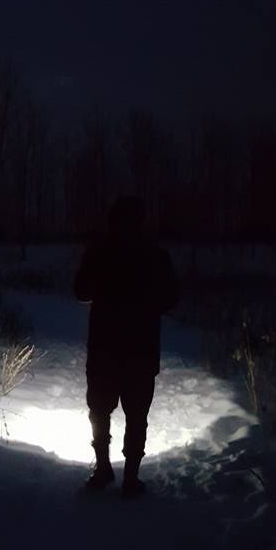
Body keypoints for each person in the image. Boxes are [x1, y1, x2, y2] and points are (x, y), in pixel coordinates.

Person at [73, 195, 179, 499]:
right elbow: (171, 299)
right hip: (139, 352)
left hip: (108, 351)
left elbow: (80, 291)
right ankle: (128, 478)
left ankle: (106, 470)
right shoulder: (155, 255)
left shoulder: (99, 252)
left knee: (101, 411)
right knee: (133, 416)